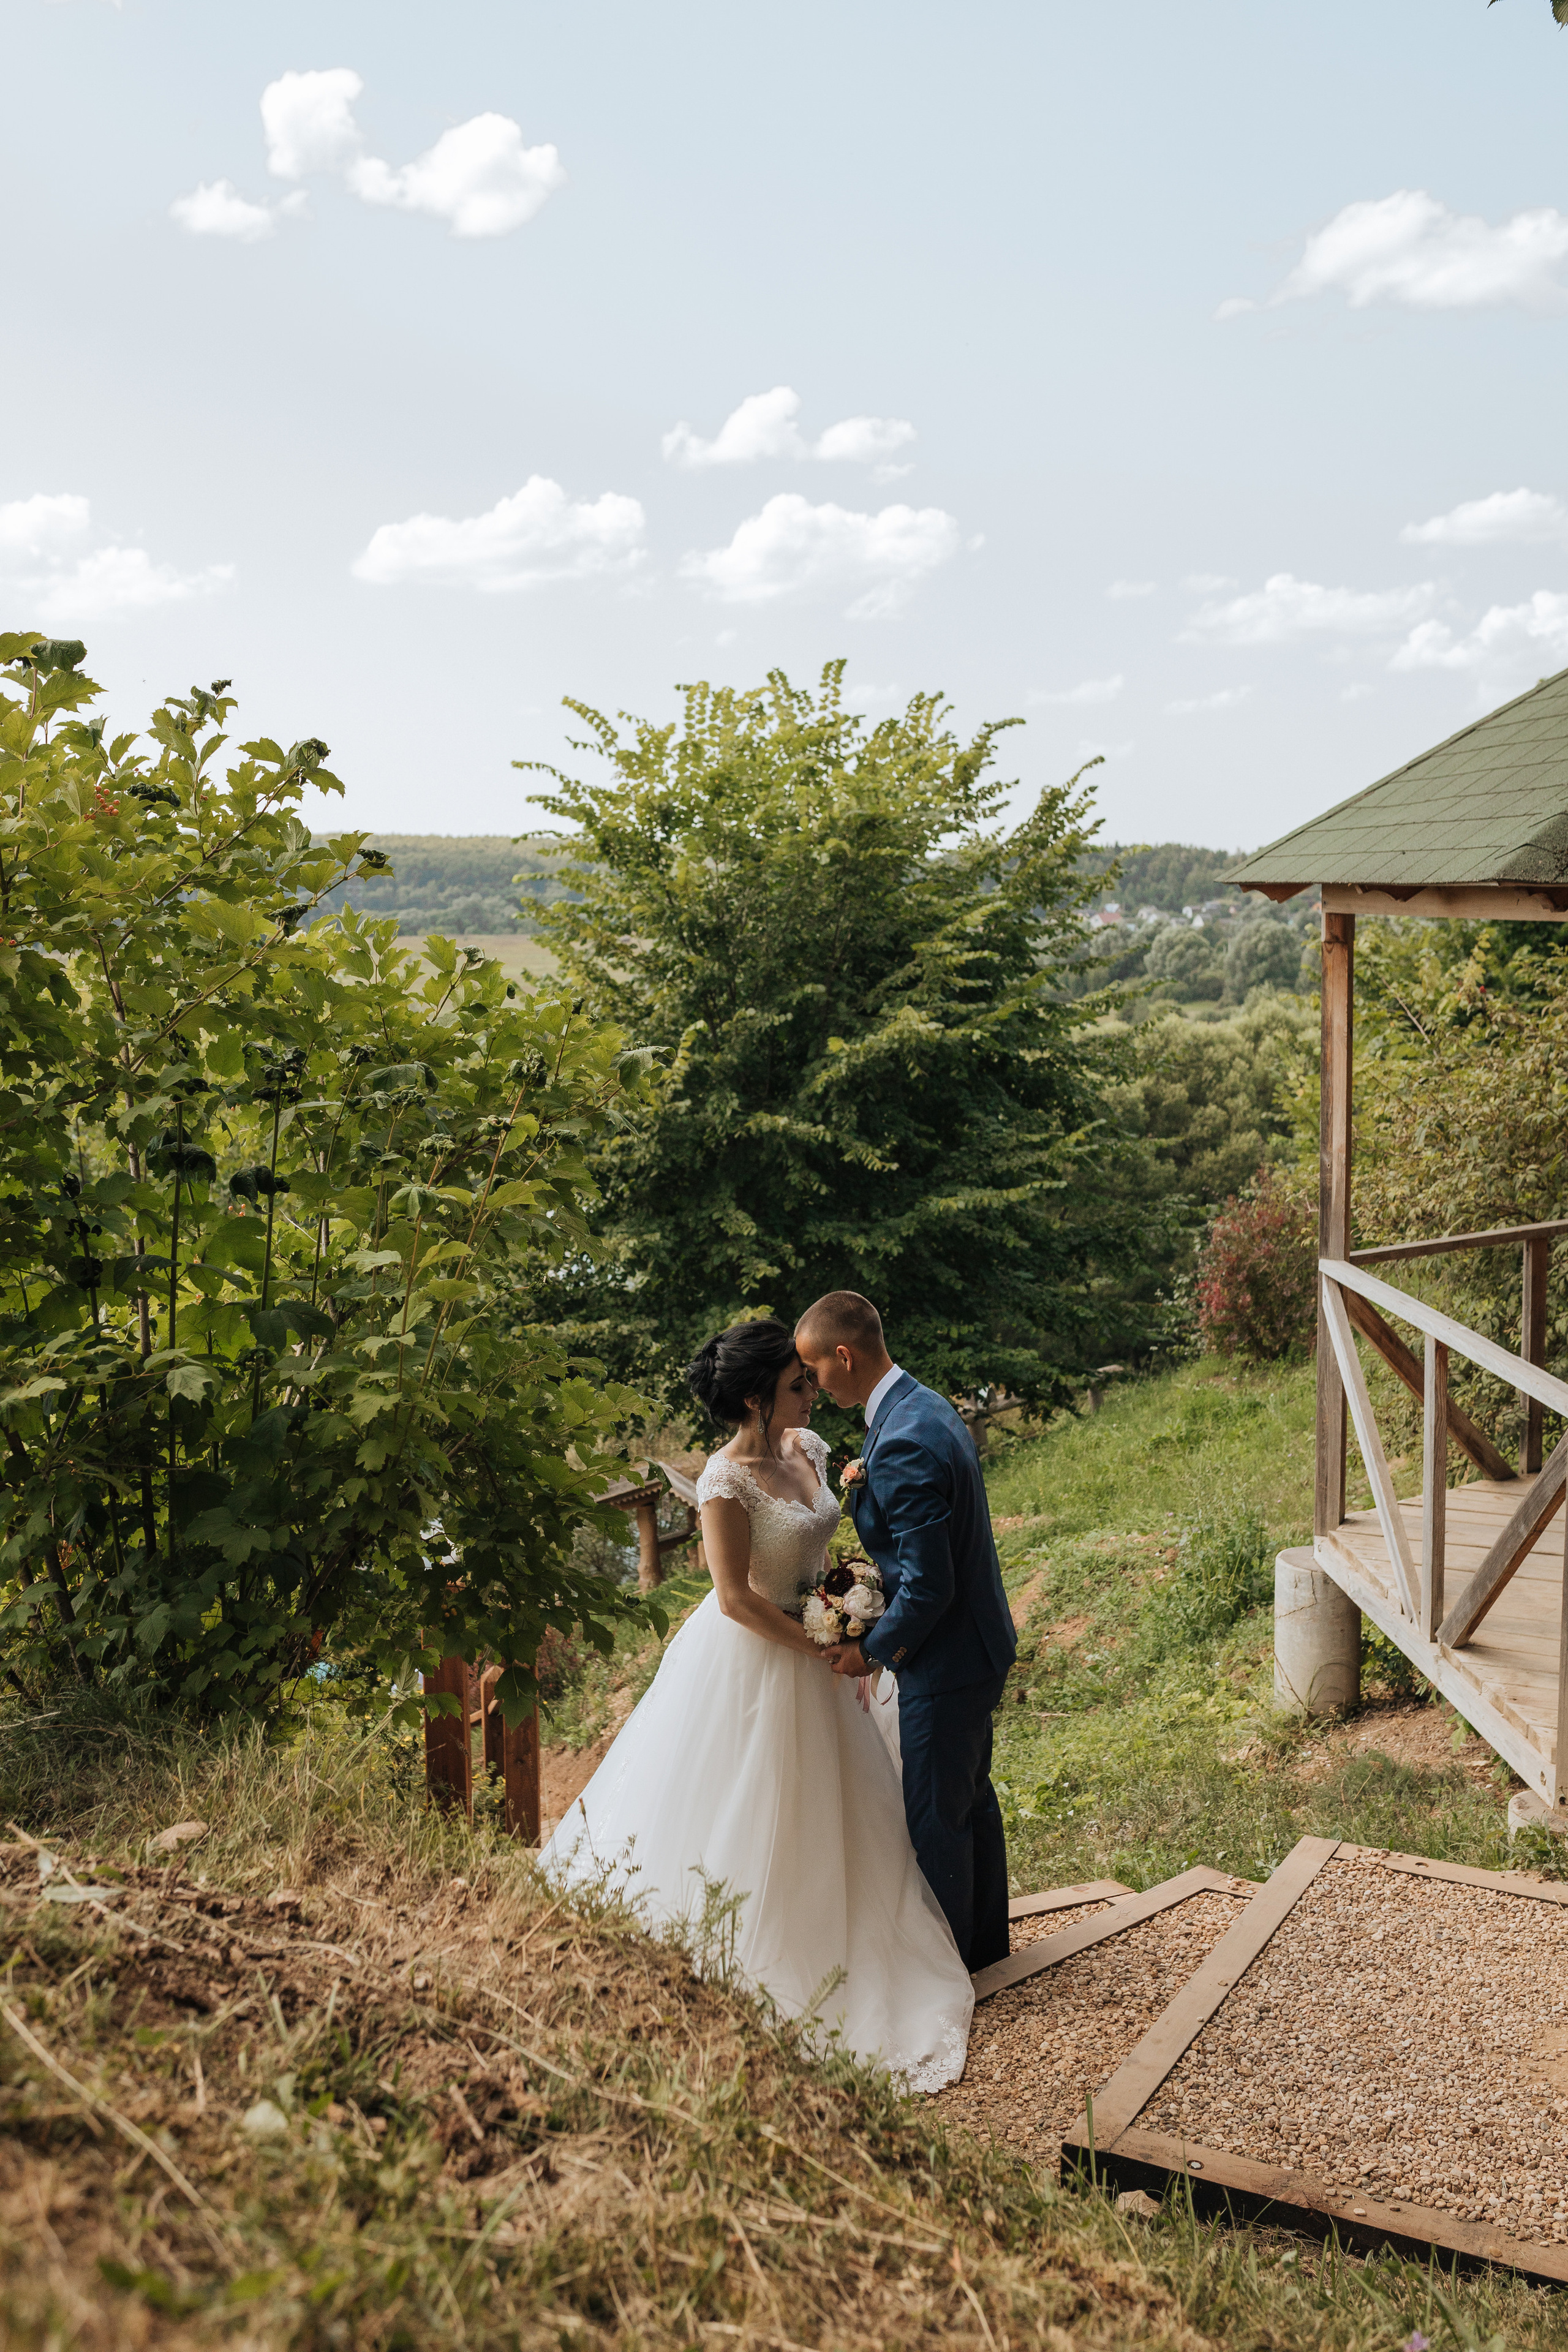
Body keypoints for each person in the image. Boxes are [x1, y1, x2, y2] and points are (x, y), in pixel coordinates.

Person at [539, 1316, 973, 2092]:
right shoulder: (722, 1483)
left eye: (808, 1379)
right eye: (795, 1385)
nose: (812, 1391)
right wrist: (821, 1647)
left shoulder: (808, 1450)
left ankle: (854, 1947)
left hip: (824, 1645)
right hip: (759, 1658)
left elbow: (825, 1548)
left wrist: (852, 1604)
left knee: (843, 1816)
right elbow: (735, 1599)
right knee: (760, 1810)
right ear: (753, 1400)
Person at [793, 1293, 1016, 1972]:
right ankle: (986, 1956)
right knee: (970, 1802)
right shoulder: (919, 1405)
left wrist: (870, 1650)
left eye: (814, 1369)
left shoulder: (903, 1441)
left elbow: (929, 1583)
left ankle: (956, 1974)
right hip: (974, 1642)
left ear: (844, 1355)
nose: (813, 1384)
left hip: (947, 1659)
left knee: (934, 1819)